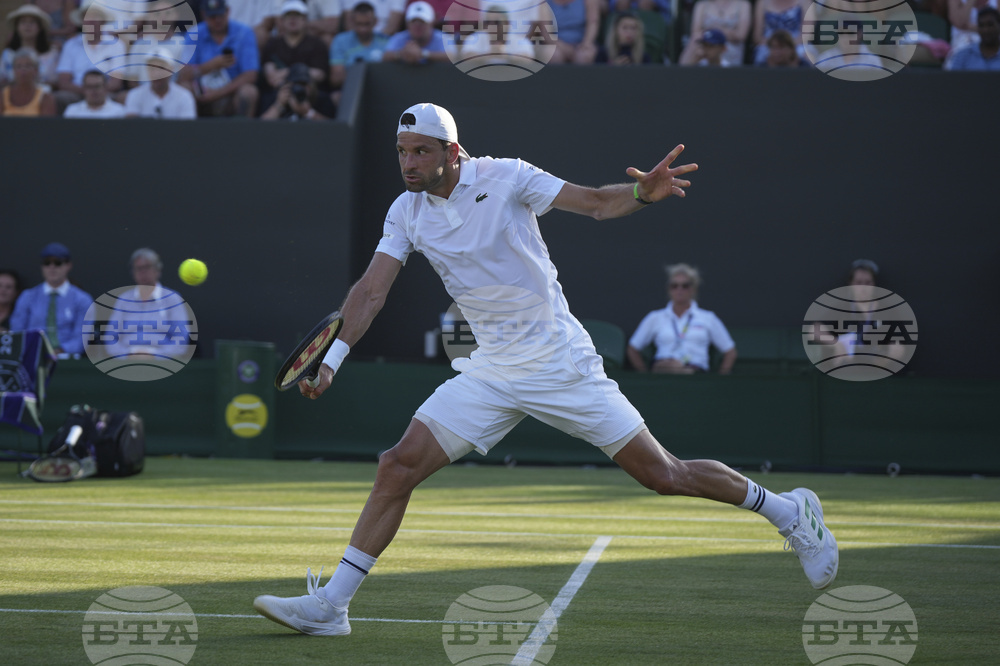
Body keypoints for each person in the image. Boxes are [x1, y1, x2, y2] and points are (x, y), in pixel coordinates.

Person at [252, 102, 840, 637]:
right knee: (397, 465)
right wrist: (331, 358)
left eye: (421, 151)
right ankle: (333, 606)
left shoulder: (507, 177)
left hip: (561, 362)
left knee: (664, 475)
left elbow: (595, 202)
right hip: (490, 371)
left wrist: (640, 194)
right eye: (402, 152)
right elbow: (371, 292)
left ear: (451, 152)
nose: (408, 163)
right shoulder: (405, 212)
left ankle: (789, 510)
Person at [627, 263, 737, 374]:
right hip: (663, 372)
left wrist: (720, 379)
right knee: (667, 366)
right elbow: (633, 348)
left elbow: (730, 351)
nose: (679, 289)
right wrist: (645, 376)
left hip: (697, 374)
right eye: (674, 286)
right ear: (669, 289)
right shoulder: (655, 317)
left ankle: (683, 370)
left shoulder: (708, 318)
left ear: (693, 289)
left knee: (680, 368)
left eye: (685, 286)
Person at [101, 248, 192, 360]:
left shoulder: (173, 299)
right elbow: (110, 337)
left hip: (163, 364)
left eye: (147, 267)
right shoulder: (123, 300)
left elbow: (181, 339)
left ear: (157, 270)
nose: (142, 272)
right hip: (125, 363)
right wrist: (127, 355)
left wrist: (155, 356)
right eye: (138, 268)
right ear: (133, 272)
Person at [9, 242, 93, 358]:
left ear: (68, 265)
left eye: (58, 263)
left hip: (68, 359)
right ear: (42, 266)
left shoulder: (82, 299)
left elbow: (83, 337)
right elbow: (17, 332)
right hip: (31, 357)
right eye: (47, 263)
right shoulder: (27, 296)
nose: (52, 267)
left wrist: (61, 350)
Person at [179, 0, 260, 117]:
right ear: (204, 14)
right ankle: (187, 133)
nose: (217, 20)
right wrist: (211, 65)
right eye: (212, 16)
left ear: (227, 11)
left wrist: (218, 93)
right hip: (201, 93)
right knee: (184, 88)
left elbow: (251, 75)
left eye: (220, 15)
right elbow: (183, 75)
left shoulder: (244, 33)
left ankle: (242, 133)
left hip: (231, 93)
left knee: (249, 92)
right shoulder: (194, 34)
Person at [259, 0, 331, 113]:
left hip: (310, 95)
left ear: (305, 19)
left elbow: (320, 74)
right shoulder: (273, 44)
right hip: (279, 94)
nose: (293, 19)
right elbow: (271, 77)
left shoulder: (317, 44)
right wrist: (301, 72)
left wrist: (286, 72)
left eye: (297, 15)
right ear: (282, 20)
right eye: (288, 15)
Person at [54, 1, 124, 114]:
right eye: (87, 16)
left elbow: (116, 82)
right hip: (77, 93)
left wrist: (96, 91)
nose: (91, 20)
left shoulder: (116, 45)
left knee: (122, 97)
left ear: (103, 21)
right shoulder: (70, 44)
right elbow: (63, 81)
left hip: (105, 93)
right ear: (81, 21)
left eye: (95, 16)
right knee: (60, 97)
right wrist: (88, 91)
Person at [1, 4, 60, 88]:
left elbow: (56, 82)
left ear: (40, 27)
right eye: (23, 22)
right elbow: (2, 80)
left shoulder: (52, 52)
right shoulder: (7, 53)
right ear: (17, 27)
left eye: (32, 22)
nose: (27, 25)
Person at [124, 51, 198, 119]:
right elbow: (132, 127)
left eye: (161, 68)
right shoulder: (135, 95)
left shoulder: (184, 96)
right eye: (152, 68)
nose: (156, 73)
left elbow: (187, 128)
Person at [679, 0, 750, 67]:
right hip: (707, 44)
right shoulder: (702, 5)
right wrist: (726, 32)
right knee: (696, 42)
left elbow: (741, 35)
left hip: (731, 48)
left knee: (715, 46)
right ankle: (682, 72)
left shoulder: (743, 4)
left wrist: (714, 30)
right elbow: (696, 33)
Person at [260, 62, 335, 120]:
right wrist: (279, 105)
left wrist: (309, 113)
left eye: (303, 84)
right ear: (287, 85)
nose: (300, 88)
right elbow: (260, 127)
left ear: (311, 85)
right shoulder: (276, 97)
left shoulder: (322, 99)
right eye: (296, 84)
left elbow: (334, 129)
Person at [382, 1, 449, 64]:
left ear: (431, 23)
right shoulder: (399, 38)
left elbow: (453, 57)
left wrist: (423, 54)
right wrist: (401, 54)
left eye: (422, 22)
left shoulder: (442, 38)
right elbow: (384, 56)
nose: (417, 25)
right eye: (413, 21)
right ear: (407, 24)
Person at [0, 48, 57, 116]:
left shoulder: (45, 97)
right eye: (19, 66)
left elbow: (48, 125)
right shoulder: (2, 96)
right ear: (13, 70)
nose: (23, 70)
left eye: (28, 66)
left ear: (36, 70)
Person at [751, 0, 808, 65]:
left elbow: (807, 34)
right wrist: (775, 47)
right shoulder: (762, 2)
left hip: (797, 43)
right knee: (761, 55)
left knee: (804, 55)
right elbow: (757, 37)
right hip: (768, 44)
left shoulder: (805, 1)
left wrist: (788, 47)